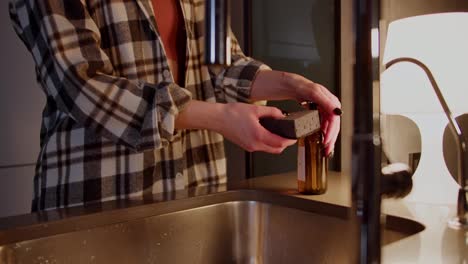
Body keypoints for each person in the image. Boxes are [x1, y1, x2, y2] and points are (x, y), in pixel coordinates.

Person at [9, 0, 341, 211]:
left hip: (199, 195)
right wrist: (221, 117)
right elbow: (81, 85)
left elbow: (221, 64)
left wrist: (294, 85)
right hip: (99, 201)